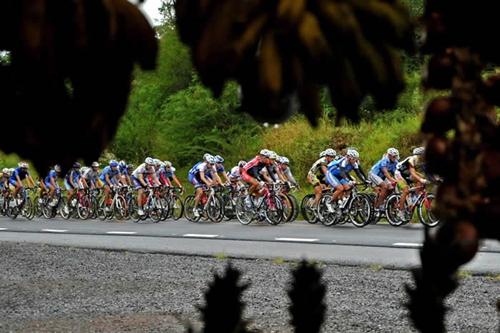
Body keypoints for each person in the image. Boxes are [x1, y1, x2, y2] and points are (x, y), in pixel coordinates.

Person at [396, 146, 429, 219]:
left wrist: (437, 179)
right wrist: (421, 180)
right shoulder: (412, 159)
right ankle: (400, 211)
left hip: (407, 174)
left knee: (422, 178)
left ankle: (414, 197)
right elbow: (413, 173)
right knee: (406, 190)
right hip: (399, 173)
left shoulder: (423, 161)